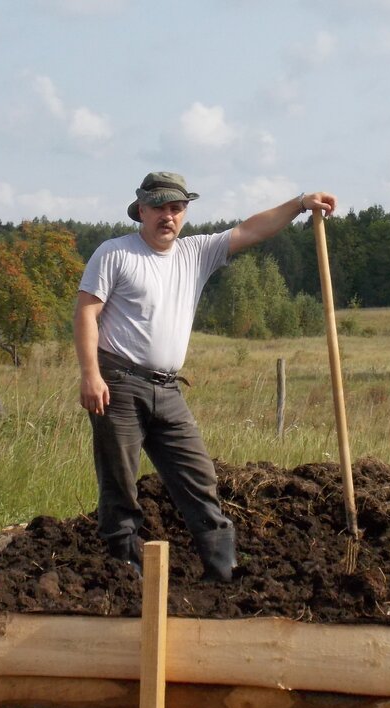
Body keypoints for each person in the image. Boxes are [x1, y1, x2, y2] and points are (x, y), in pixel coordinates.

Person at [74, 171, 337, 581]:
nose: (168, 216)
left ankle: (222, 571)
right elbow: (87, 312)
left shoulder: (195, 252)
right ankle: (124, 571)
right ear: (141, 210)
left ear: (185, 213)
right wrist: (91, 374)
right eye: (159, 207)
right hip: (119, 382)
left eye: (176, 208)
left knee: (198, 474)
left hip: (169, 388)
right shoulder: (115, 253)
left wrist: (301, 203)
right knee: (119, 478)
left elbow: (252, 229)